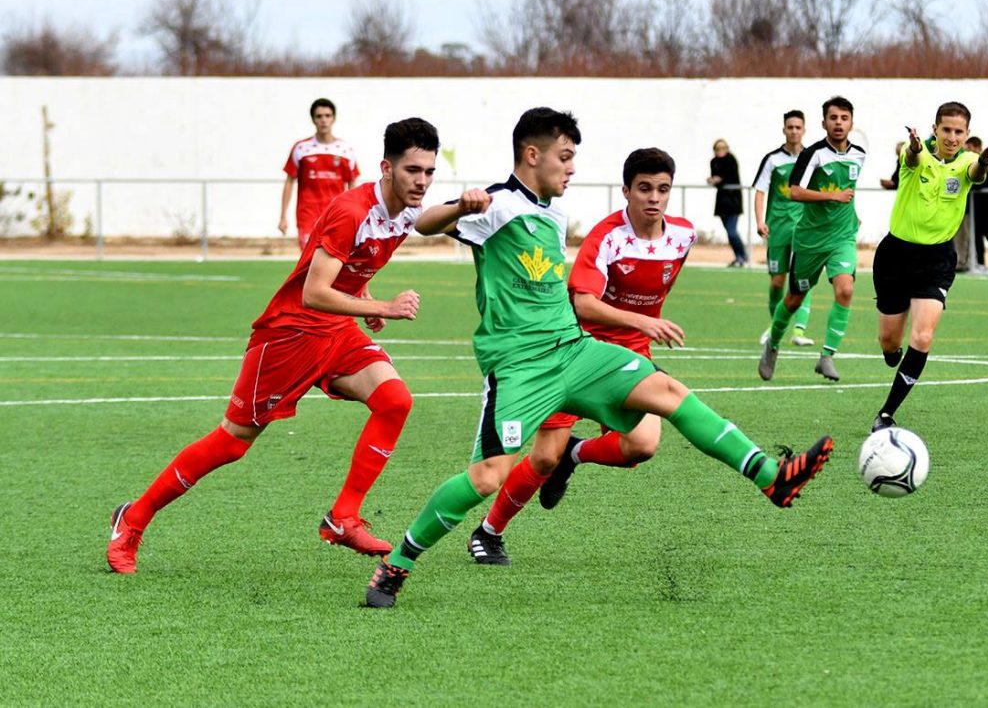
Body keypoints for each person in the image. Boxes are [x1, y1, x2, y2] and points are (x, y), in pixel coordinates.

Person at [364, 108, 833, 608]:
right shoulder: (496, 205)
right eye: (564, 158)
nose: (571, 168)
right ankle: (398, 564)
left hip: (576, 350)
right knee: (487, 477)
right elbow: (425, 223)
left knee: (670, 394)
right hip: (521, 369)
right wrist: (462, 205)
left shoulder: (554, 212)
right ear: (532, 155)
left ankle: (770, 478)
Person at [107, 118, 438, 574]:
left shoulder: (402, 211)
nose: (421, 182)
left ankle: (342, 518)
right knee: (233, 442)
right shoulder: (350, 210)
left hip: (336, 333)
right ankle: (134, 518)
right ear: (386, 168)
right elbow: (313, 292)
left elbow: (368, 259)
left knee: (395, 400)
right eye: (412, 171)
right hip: (290, 335)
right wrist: (381, 304)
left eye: (428, 172)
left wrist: (363, 298)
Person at [466, 147, 695, 566]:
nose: (654, 198)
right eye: (644, 188)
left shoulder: (683, 236)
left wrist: (640, 330)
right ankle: (488, 532)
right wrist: (642, 322)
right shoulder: (606, 237)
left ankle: (574, 454)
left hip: (629, 353)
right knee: (542, 457)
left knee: (642, 446)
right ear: (625, 191)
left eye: (663, 189)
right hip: (575, 351)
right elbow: (583, 303)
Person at [870, 102, 988, 432]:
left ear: (967, 134)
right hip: (895, 255)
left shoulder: (970, 161)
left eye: (959, 131)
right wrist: (913, 148)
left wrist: (984, 161)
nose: (952, 137)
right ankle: (891, 351)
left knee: (924, 335)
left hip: (936, 259)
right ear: (935, 129)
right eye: (947, 130)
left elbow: (977, 174)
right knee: (889, 340)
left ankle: (886, 413)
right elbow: (911, 159)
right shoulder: (916, 155)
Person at [757, 96, 865, 383]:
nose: (838, 123)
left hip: (842, 238)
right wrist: (833, 196)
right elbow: (794, 191)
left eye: (844, 118)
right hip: (809, 241)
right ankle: (774, 344)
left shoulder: (859, 154)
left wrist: (852, 214)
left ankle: (827, 356)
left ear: (851, 123)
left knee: (845, 290)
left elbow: (848, 190)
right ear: (823, 123)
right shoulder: (814, 154)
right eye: (833, 118)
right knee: (793, 299)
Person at [753, 110, 815, 349]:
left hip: (804, 227)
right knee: (778, 282)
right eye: (790, 127)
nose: (794, 131)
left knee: (802, 278)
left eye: (798, 127)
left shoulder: (812, 157)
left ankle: (799, 330)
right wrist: (760, 220)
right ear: (784, 129)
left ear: (804, 130)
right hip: (777, 228)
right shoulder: (773, 159)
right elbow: (760, 190)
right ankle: (775, 325)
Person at [279, 98, 361, 249]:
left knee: (334, 260)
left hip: (336, 215)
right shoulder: (301, 148)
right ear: (313, 120)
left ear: (334, 119)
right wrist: (283, 216)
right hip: (308, 216)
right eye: (319, 116)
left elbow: (352, 185)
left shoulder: (345, 149)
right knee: (308, 261)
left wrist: (355, 215)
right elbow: (289, 181)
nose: (324, 120)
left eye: (327, 116)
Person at [707, 139, 747, 267]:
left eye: (723, 148)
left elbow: (730, 177)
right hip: (722, 201)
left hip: (733, 200)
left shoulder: (731, 160)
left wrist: (718, 180)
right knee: (728, 232)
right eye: (718, 149)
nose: (720, 151)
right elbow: (715, 179)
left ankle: (742, 256)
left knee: (732, 231)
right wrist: (712, 180)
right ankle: (738, 257)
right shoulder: (713, 162)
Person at [966, 136, 988, 272]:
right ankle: (980, 263)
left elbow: (984, 182)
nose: (967, 151)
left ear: (976, 147)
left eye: (969, 148)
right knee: (977, 234)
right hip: (977, 206)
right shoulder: (972, 162)